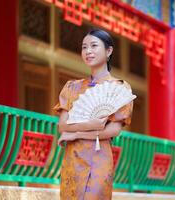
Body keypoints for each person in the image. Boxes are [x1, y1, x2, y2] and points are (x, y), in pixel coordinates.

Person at [53, 28, 134, 200]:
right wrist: (92, 125)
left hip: (99, 157)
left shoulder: (120, 88)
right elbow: (63, 125)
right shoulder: (72, 87)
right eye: (84, 47)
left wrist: (76, 134)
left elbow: (113, 130)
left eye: (94, 46)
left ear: (109, 50)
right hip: (73, 157)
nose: (88, 51)